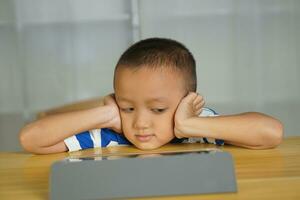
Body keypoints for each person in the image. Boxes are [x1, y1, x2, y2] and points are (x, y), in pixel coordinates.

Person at [19, 38, 283, 154]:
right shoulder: (112, 133)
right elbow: (30, 140)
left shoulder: (198, 127)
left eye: (158, 110)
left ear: (184, 103)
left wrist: (189, 124)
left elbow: (271, 132)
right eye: (128, 108)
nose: (140, 124)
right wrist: (105, 114)